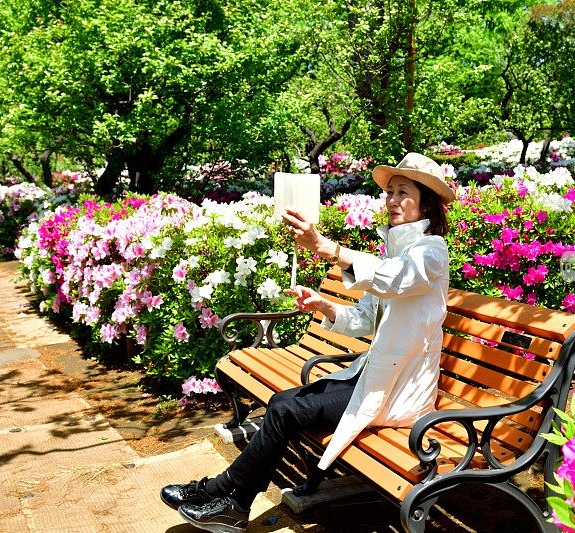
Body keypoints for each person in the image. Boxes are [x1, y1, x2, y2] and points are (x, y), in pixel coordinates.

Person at [160, 152, 455, 533]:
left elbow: (398, 278)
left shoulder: (431, 251)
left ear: (426, 201)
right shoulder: (396, 250)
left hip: (401, 393)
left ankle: (223, 496)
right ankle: (229, 501)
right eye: (390, 192)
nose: (393, 200)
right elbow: (368, 317)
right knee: (284, 402)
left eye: (403, 192)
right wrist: (327, 308)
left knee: (286, 410)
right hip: (375, 374)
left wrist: (329, 248)